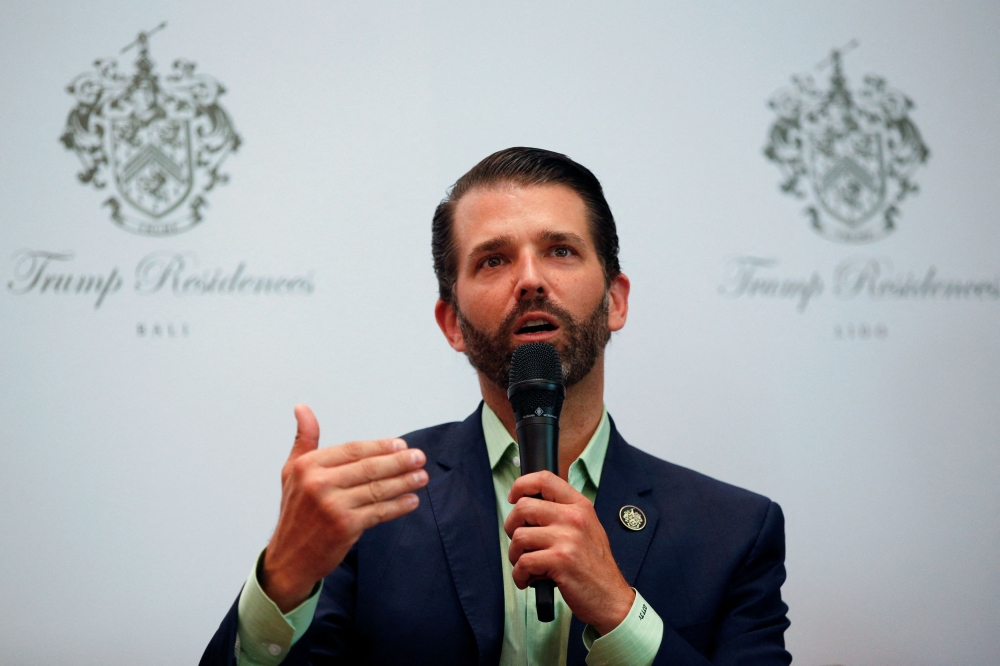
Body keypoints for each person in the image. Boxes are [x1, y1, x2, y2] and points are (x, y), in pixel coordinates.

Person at [200, 148, 791, 666]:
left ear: (615, 301)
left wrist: (619, 611)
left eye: (560, 250)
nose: (530, 280)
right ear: (452, 323)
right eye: (493, 260)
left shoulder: (734, 532)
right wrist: (283, 577)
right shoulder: (371, 512)